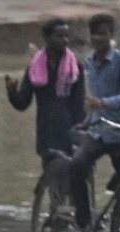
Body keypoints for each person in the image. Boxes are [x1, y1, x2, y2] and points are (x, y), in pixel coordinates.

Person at [67, 14, 120, 232]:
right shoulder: (89, 62)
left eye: (103, 33)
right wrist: (88, 120)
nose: (98, 38)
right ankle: (84, 223)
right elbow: (93, 99)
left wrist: (103, 103)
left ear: (111, 35)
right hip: (98, 130)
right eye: (95, 33)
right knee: (76, 165)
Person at [5, 19, 85, 164]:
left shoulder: (75, 67)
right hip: (47, 132)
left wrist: (80, 135)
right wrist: (12, 93)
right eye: (59, 36)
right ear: (47, 38)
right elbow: (23, 103)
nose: (65, 40)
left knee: (75, 179)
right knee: (50, 177)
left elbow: (79, 103)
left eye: (66, 36)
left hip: (70, 131)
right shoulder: (35, 67)